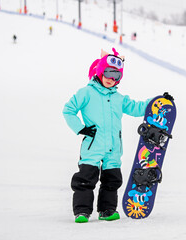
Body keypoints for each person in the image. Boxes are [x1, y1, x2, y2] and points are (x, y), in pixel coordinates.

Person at [63, 48, 151, 223]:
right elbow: (69, 110)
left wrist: (156, 102)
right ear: (100, 71)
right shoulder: (86, 92)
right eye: (109, 73)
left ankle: (107, 210)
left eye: (117, 76)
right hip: (92, 145)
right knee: (85, 179)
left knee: (112, 180)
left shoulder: (119, 98)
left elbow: (136, 107)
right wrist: (80, 128)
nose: (112, 79)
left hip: (113, 147)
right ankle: (82, 212)